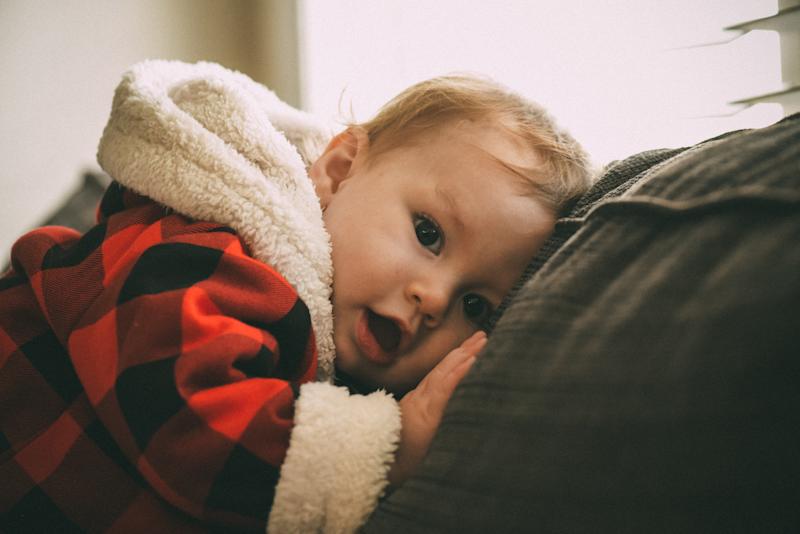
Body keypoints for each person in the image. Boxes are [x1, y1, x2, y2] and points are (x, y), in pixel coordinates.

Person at [0, 60, 592, 533]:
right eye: (429, 233)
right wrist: (387, 449)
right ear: (337, 170)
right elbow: (193, 426)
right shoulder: (211, 253)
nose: (434, 299)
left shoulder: (339, 357)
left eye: (476, 306)